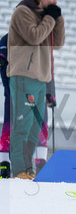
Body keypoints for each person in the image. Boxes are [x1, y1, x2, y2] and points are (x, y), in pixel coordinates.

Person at [6, 0, 65, 179]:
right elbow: (34, 36)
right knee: (23, 124)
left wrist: (58, 19)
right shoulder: (22, 12)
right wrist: (49, 18)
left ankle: (28, 169)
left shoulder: (44, 17)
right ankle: (19, 169)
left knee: (34, 127)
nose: (55, 1)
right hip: (24, 75)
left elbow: (57, 43)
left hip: (40, 79)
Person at [0, 33, 54, 178]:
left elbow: (48, 68)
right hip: (16, 92)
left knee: (40, 125)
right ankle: (5, 165)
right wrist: (11, 90)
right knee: (13, 126)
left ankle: (39, 164)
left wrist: (50, 93)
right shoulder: (7, 40)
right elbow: (3, 65)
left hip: (37, 91)